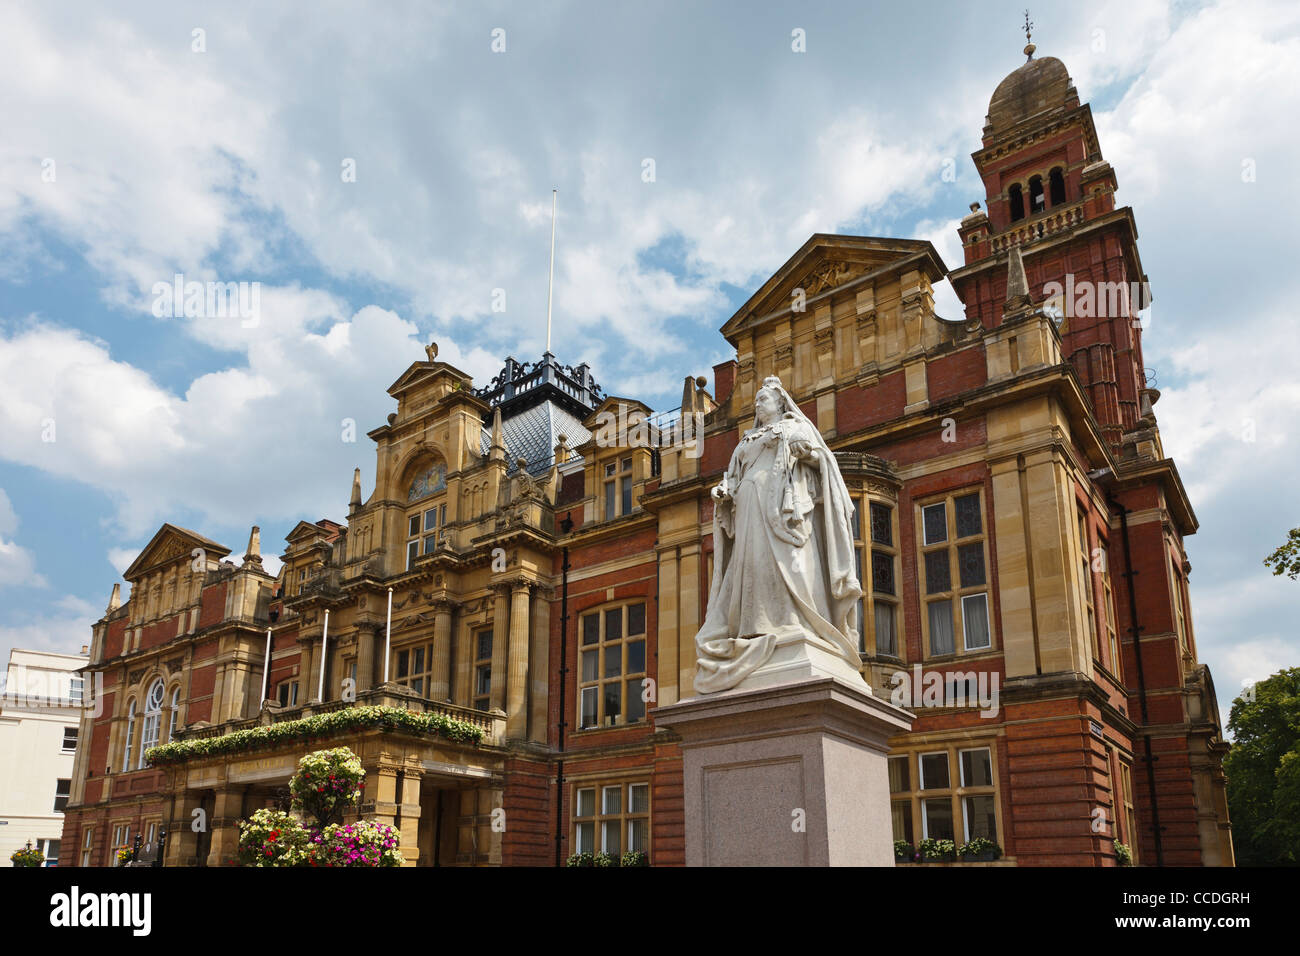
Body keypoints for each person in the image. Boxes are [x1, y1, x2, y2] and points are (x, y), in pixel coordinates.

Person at [694, 375, 863, 693]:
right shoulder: (746, 440)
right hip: (748, 508)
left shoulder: (794, 426)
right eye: (756, 400)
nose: (758, 403)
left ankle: (795, 621)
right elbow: (733, 476)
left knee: (790, 564)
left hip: (785, 509)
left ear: (780, 403)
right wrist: (724, 491)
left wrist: (806, 454)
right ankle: (755, 626)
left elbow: (822, 460)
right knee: (753, 565)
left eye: (764, 399)